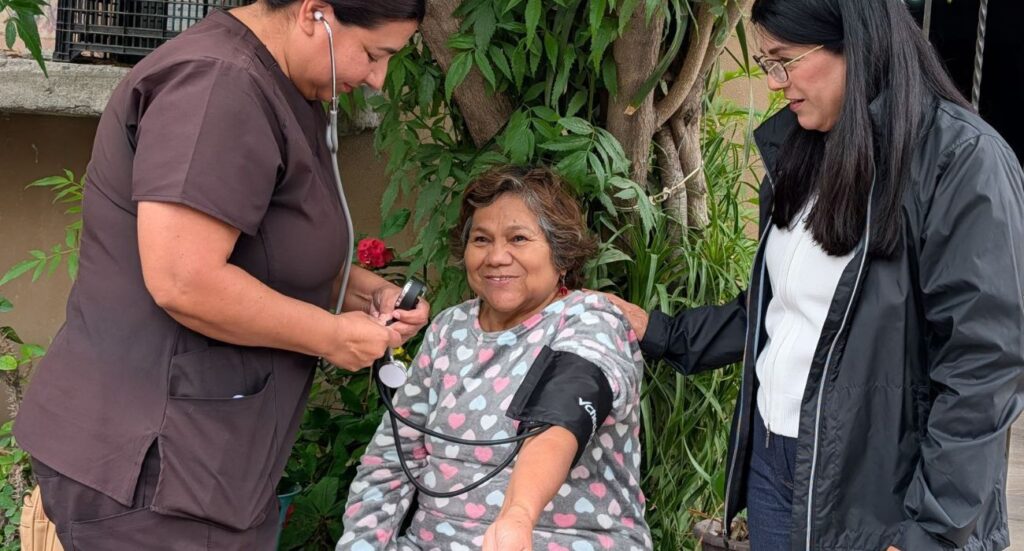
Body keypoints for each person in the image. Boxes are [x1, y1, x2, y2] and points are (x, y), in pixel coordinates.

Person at [606, 1, 1024, 550]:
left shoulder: (961, 159)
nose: (776, 83)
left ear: (856, 44)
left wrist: (932, 529)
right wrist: (657, 331)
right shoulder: (800, 151)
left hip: (885, 491)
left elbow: (983, 366)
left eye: (784, 61)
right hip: (779, 463)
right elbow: (780, 312)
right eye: (766, 65)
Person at [12, 0, 428, 548]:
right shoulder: (218, 86)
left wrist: (355, 289)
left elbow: (261, 241)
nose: (376, 79)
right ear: (315, 14)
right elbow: (184, 279)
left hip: (209, 465)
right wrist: (330, 335)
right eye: (374, 55)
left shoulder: (281, 83)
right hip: (151, 467)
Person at [338, 166, 652, 551]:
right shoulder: (449, 329)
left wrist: (518, 515)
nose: (496, 257)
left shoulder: (590, 319)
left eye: (518, 238)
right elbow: (389, 462)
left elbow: (566, 413)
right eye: (482, 239)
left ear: (562, 255)